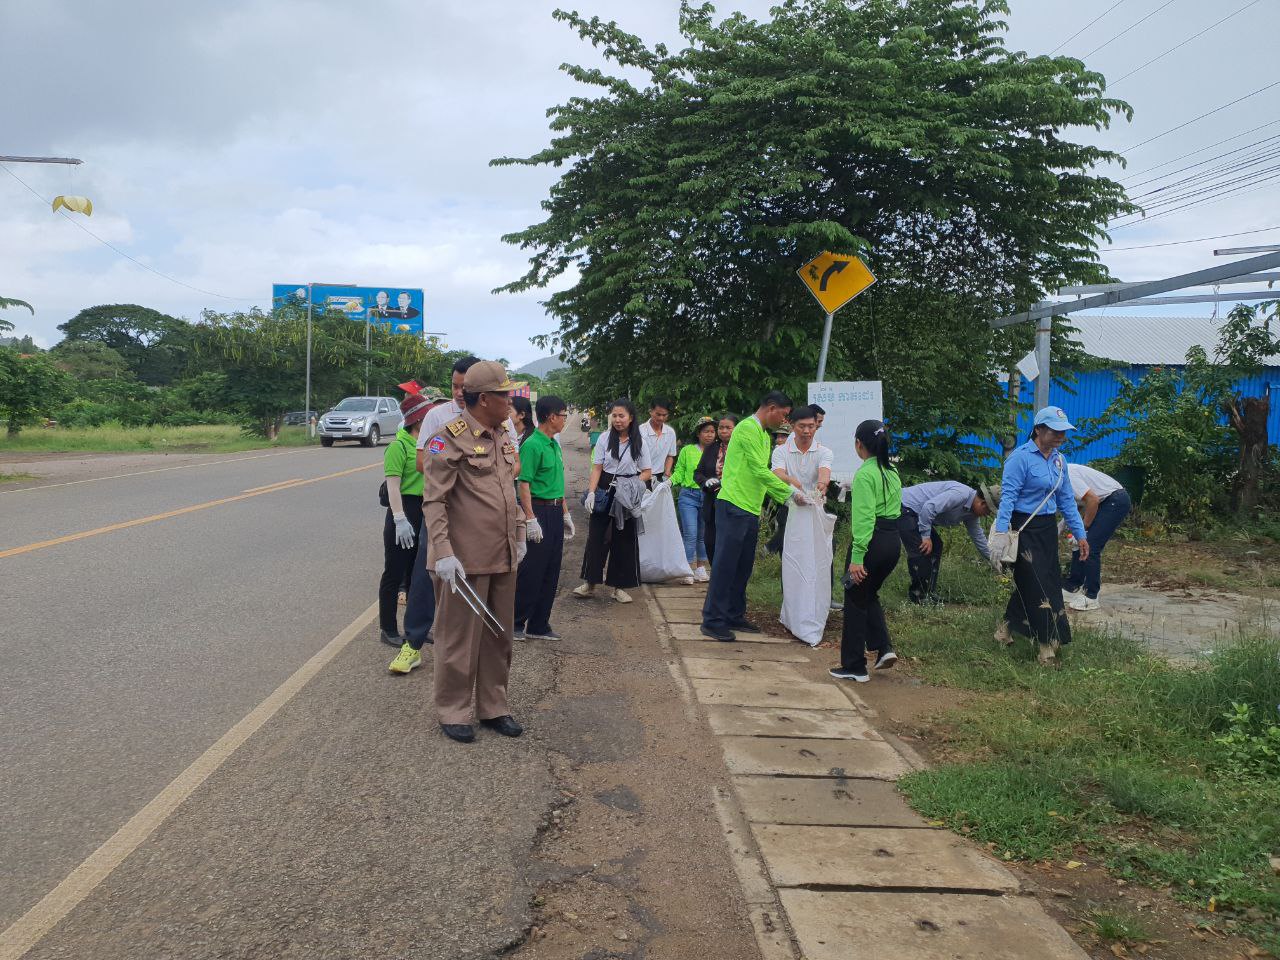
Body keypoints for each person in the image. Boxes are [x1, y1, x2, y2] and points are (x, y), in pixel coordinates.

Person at [418, 361, 527, 744]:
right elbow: (434, 501)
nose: (511, 402)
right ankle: (453, 709)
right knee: (458, 638)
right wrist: (443, 552)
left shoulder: (503, 435)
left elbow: (507, 492)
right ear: (484, 399)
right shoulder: (448, 437)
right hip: (462, 562)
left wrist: (520, 532)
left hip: (502, 553)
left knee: (499, 636)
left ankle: (494, 706)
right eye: (505, 395)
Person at [701, 392, 811, 642]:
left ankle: (733, 614)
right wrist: (790, 494)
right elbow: (760, 471)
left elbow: (765, 473)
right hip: (733, 505)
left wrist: (784, 493)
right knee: (725, 565)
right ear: (771, 408)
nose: (784, 421)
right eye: (783, 415)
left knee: (743, 567)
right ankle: (713, 619)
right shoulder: (747, 429)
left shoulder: (763, 435)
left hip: (750, 508)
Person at [988, 406, 1089, 665]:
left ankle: (1005, 630)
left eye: (1064, 432)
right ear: (1038, 430)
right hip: (1023, 527)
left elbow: (1066, 500)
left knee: (1041, 582)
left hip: (1046, 530)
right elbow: (1008, 497)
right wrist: (1001, 533)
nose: (1061, 437)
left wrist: (1080, 535)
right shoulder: (1019, 458)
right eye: (1055, 431)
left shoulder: (1059, 461)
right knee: (1037, 585)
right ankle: (1046, 647)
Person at [830, 420, 903, 682]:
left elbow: (864, 521)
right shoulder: (891, 471)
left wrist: (857, 558)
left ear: (858, 444)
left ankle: (854, 665)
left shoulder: (864, 475)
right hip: (892, 542)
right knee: (868, 593)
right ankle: (884, 648)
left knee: (854, 597)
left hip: (871, 543)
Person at [576, 399, 653, 603]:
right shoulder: (603, 438)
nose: (617, 420)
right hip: (605, 488)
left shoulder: (639, 441)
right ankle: (590, 583)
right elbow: (597, 468)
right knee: (597, 537)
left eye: (622, 416)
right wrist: (591, 492)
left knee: (624, 539)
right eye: (615, 415)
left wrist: (633, 484)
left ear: (631, 418)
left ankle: (619, 587)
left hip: (627, 493)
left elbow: (647, 472)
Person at [515, 395, 575, 640]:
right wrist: (530, 518)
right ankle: (515, 622)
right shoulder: (532, 444)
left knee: (551, 569)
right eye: (563, 415)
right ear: (552, 416)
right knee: (532, 570)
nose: (564, 420)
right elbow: (524, 483)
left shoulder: (553, 444)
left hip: (554, 510)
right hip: (538, 511)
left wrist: (566, 512)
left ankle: (539, 624)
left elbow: (556, 483)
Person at [380, 393, 433, 649]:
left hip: (424, 510)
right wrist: (400, 519)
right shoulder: (398, 446)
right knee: (394, 572)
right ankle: (388, 628)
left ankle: (416, 627)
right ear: (419, 420)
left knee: (417, 574)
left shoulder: (429, 444)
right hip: (403, 510)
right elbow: (393, 485)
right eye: (429, 416)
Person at [897, 481, 998, 604]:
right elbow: (929, 507)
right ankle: (918, 596)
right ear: (982, 503)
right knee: (921, 549)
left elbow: (979, 538)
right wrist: (925, 536)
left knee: (936, 546)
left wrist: (995, 561)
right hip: (906, 506)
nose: (986, 515)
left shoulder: (972, 514)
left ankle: (929, 592)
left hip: (920, 514)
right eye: (987, 512)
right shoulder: (960, 495)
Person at [1062, 463, 1131, 611]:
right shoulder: (1059, 475)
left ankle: (1091, 596)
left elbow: (1092, 500)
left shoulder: (1066, 475)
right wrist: (1062, 528)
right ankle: (1072, 587)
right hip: (1104, 501)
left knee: (1090, 546)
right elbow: (1074, 505)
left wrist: (1083, 529)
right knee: (1078, 543)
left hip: (1114, 500)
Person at [766, 406, 833, 554]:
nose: (807, 431)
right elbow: (777, 474)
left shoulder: (825, 452)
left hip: (815, 507)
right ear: (792, 426)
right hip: (790, 506)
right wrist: (793, 484)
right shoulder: (780, 451)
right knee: (791, 555)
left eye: (811, 426)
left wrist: (822, 485)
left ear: (816, 425)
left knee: (820, 554)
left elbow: (824, 472)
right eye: (801, 426)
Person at [671, 417, 716, 583]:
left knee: (703, 534)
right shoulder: (687, 450)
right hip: (688, 495)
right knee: (690, 532)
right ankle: (686, 570)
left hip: (708, 496)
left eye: (712, 432)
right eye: (706, 431)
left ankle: (701, 568)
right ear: (698, 433)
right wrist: (670, 481)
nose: (710, 435)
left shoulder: (717, 451)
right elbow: (679, 471)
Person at [694, 413, 738, 566]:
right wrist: (706, 482)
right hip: (712, 501)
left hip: (734, 501)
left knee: (730, 542)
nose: (723, 431)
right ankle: (716, 573)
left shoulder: (741, 448)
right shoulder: (711, 448)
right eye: (721, 427)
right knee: (711, 542)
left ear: (736, 429)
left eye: (728, 428)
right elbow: (698, 473)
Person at [640, 398, 678, 481]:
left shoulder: (670, 433)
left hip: (659, 477)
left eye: (664, 415)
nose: (661, 418)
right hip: (640, 475)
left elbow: (670, 455)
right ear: (650, 411)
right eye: (658, 414)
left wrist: (667, 471)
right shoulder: (640, 431)